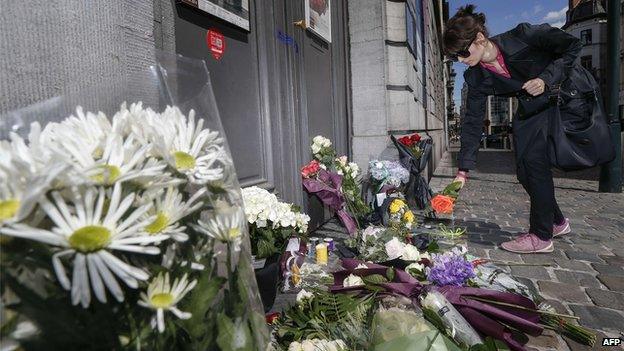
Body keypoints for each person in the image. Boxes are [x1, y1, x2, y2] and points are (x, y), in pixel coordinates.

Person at [443, 5, 580, 254]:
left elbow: (572, 46)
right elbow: (472, 122)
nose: (461, 61)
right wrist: (462, 171)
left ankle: (541, 236)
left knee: (535, 162)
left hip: (561, 94)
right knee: (523, 171)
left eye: (463, 52)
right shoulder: (475, 77)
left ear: (480, 39)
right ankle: (557, 222)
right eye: (455, 58)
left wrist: (546, 78)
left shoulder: (525, 35)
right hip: (531, 107)